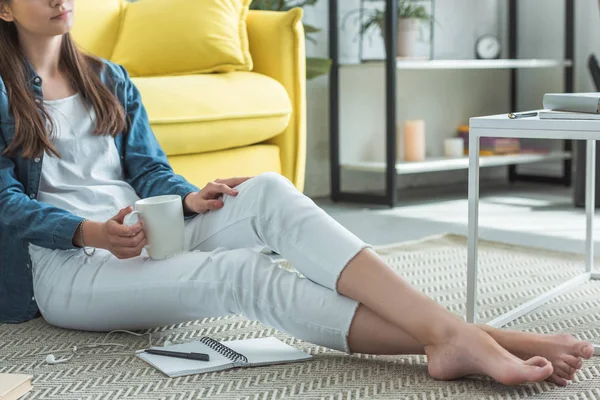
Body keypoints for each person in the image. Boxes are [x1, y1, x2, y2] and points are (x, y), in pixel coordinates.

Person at [0, 0, 593, 388]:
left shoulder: (108, 78)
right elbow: (6, 204)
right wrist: (88, 231)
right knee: (238, 274)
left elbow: (148, 171)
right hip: (66, 265)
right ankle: (476, 336)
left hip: (140, 230)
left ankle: (454, 338)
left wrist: (188, 200)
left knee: (267, 193)